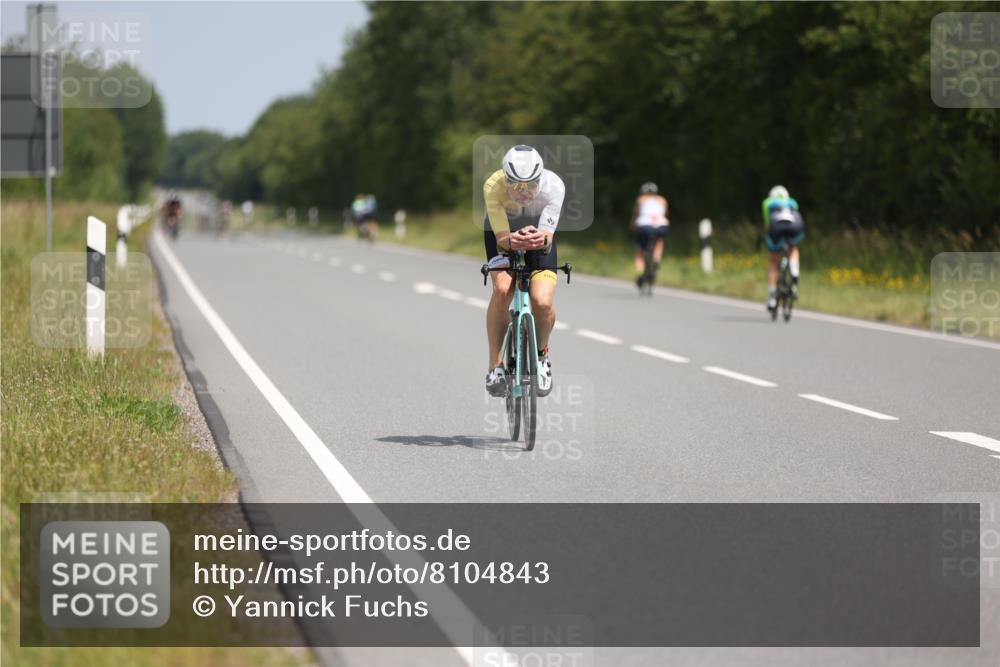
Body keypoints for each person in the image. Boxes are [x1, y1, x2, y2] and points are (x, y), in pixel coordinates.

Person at [483, 145, 565, 398]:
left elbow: (547, 236)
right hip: (503, 230)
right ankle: (495, 366)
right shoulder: (492, 186)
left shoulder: (554, 186)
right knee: (502, 289)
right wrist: (511, 241)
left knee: (542, 300)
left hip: (538, 231)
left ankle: (541, 359)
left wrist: (538, 240)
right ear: (505, 179)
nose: (523, 192)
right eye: (515, 185)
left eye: (530, 185)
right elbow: (501, 237)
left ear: (540, 179)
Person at [761, 185, 805, 313]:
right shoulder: (792, 202)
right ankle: (794, 270)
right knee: (793, 247)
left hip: (776, 226)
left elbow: (768, 224)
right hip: (795, 225)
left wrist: (764, 236)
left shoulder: (767, 203)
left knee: (773, 262)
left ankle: (772, 299)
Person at [630, 182, 669, 290]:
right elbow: (665, 214)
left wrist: (632, 226)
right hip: (660, 225)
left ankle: (640, 274)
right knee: (659, 242)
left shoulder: (641, 199)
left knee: (639, 251)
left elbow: (636, 215)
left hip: (645, 226)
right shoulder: (662, 200)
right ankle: (656, 262)